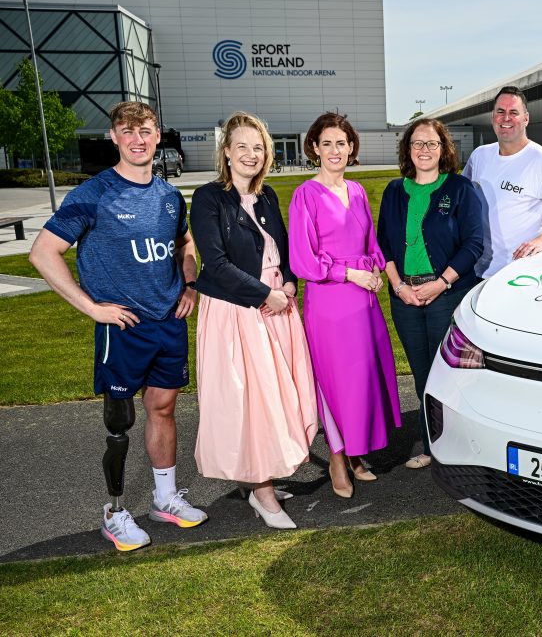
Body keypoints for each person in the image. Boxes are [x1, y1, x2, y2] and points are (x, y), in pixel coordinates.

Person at [28, 101, 206, 551]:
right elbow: (43, 253)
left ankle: (165, 498)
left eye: (145, 130)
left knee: (163, 408)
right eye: (128, 131)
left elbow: (184, 242)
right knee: (119, 422)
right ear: (114, 137)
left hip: (167, 322)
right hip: (121, 325)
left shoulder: (168, 195)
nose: (138, 139)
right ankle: (115, 510)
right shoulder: (93, 193)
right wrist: (91, 308)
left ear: (158, 135)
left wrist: (189, 284)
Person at [190, 112, 317, 529]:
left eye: (258, 147)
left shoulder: (268, 197)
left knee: (280, 397)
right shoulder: (209, 198)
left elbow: (284, 251)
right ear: (226, 152)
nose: (250, 154)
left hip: (277, 306)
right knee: (254, 402)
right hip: (238, 311)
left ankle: (263, 475)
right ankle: (261, 493)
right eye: (241, 146)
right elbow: (217, 264)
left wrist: (291, 285)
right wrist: (268, 295)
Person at [288, 112, 402, 498]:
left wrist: (375, 273)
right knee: (335, 381)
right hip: (331, 301)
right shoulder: (306, 195)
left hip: (365, 300)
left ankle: (356, 455)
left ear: (351, 147)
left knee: (362, 380)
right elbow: (304, 260)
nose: (335, 150)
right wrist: (351, 275)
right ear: (314, 149)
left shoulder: (356, 191)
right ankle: (337, 457)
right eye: (327, 143)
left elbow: (371, 243)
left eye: (342, 142)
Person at [377, 118, 484, 469]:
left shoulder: (459, 188)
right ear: (408, 149)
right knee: (422, 371)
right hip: (404, 294)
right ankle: (430, 443)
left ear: (444, 149)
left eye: (431, 144)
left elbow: (473, 244)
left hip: (447, 293)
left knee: (452, 373)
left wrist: (441, 284)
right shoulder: (394, 191)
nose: (424, 150)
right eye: (417, 143)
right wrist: (398, 286)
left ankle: (464, 444)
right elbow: (382, 246)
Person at [463, 86, 542, 279]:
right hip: (475, 270)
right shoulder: (479, 156)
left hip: (519, 274)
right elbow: (461, 200)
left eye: (514, 113)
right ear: (493, 117)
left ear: (526, 118)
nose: (506, 118)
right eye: (500, 112)